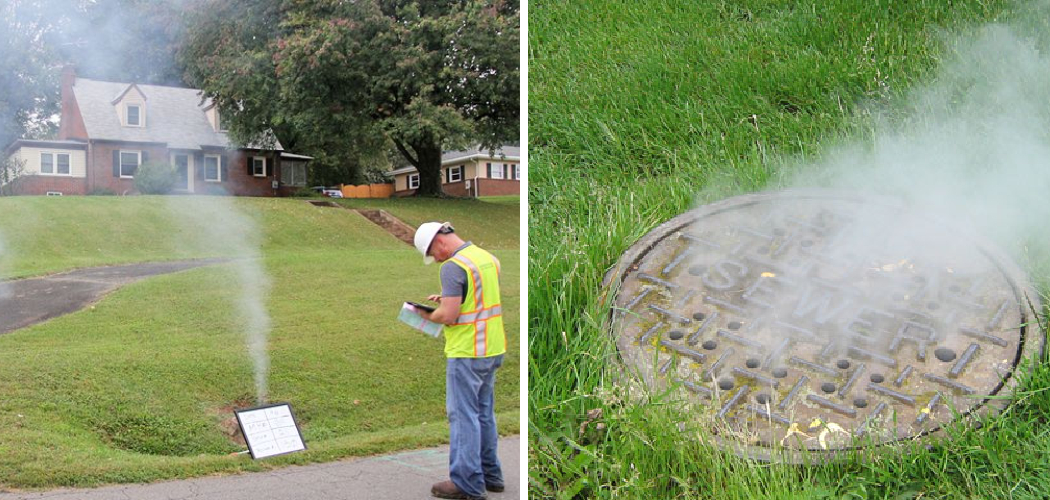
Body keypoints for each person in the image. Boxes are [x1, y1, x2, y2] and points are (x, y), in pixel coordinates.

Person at [412, 221, 506, 500]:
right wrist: (447, 298)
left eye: (432, 254)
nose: (436, 259)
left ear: (439, 242)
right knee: (484, 413)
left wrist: (424, 314)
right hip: (493, 347)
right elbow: (477, 298)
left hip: (466, 352)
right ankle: (492, 476)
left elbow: (449, 316)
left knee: (463, 416)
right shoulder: (486, 258)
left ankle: (467, 483)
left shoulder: (452, 267)